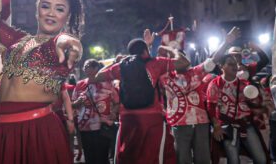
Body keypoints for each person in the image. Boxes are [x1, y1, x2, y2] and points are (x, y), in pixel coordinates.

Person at [0, 0, 84, 164]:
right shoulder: (18, 40)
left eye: (60, 9)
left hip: (37, 132)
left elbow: (68, 42)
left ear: (67, 16)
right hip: (3, 129)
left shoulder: (59, 44)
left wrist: (73, 46)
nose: (51, 13)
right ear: (37, 9)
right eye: (46, 6)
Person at [95, 32, 190, 164]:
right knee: (154, 156)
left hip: (128, 119)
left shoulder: (121, 67)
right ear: (145, 50)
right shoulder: (157, 63)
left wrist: (116, 61)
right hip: (152, 119)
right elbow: (184, 62)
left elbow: (98, 76)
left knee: (130, 157)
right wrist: (172, 49)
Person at [159, 27, 240, 164]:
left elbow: (214, 59)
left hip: (201, 123)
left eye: (182, 57)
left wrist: (226, 43)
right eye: (177, 59)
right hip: (179, 123)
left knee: (203, 159)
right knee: (182, 160)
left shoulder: (197, 72)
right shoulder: (165, 76)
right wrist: (168, 50)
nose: (181, 61)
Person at [207, 54, 267, 164]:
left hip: (246, 125)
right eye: (230, 64)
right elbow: (211, 106)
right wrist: (216, 126)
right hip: (227, 126)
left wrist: (255, 101)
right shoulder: (215, 84)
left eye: (235, 64)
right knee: (233, 160)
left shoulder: (245, 84)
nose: (234, 66)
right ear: (222, 66)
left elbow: (255, 104)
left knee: (261, 159)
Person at [72, 59, 119, 164]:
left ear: (96, 68)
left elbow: (117, 102)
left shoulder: (107, 84)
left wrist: (114, 112)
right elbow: (72, 105)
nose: (85, 68)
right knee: (89, 157)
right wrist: (78, 102)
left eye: (88, 66)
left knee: (102, 157)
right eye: (85, 66)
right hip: (85, 127)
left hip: (102, 127)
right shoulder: (80, 84)